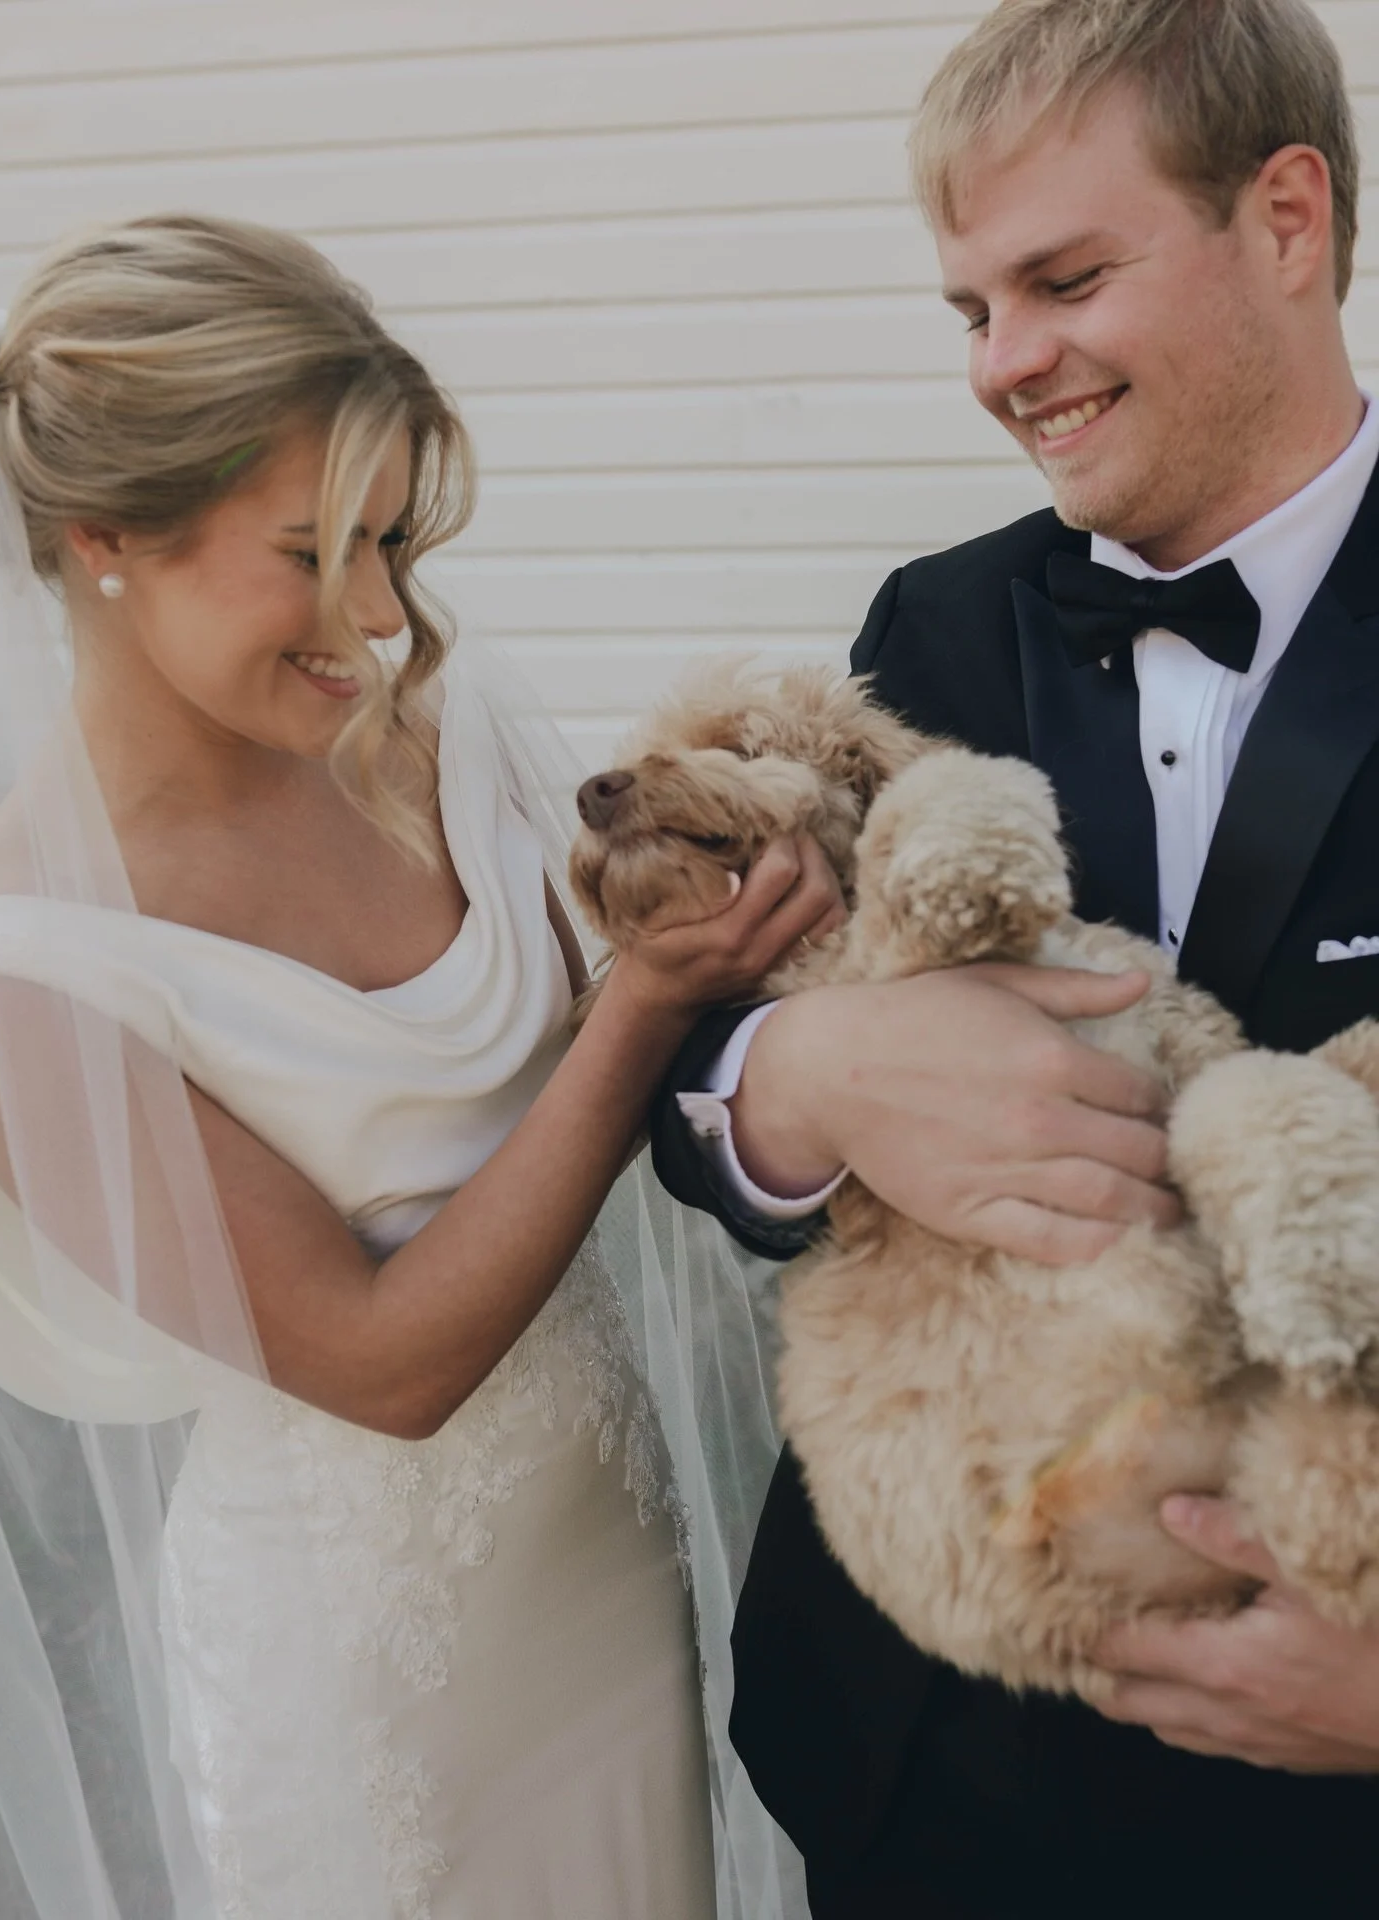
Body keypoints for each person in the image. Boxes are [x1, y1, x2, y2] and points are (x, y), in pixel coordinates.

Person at [0, 217, 841, 1918]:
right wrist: (643, 1006)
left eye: (394, 538)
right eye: (311, 550)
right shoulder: (9, 970)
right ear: (104, 536)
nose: (377, 616)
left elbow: (689, 1057)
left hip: (614, 1577)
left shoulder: (447, 724)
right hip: (366, 1683)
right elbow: (378, 1361)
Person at [649, 1, 1379, 1914]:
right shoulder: (935, 619)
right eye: (971, 308)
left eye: (1063, 281)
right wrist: (795, 1089)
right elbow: (710, 1041)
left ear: (1287, 219)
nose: (1007, 366)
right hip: (919, 1765)